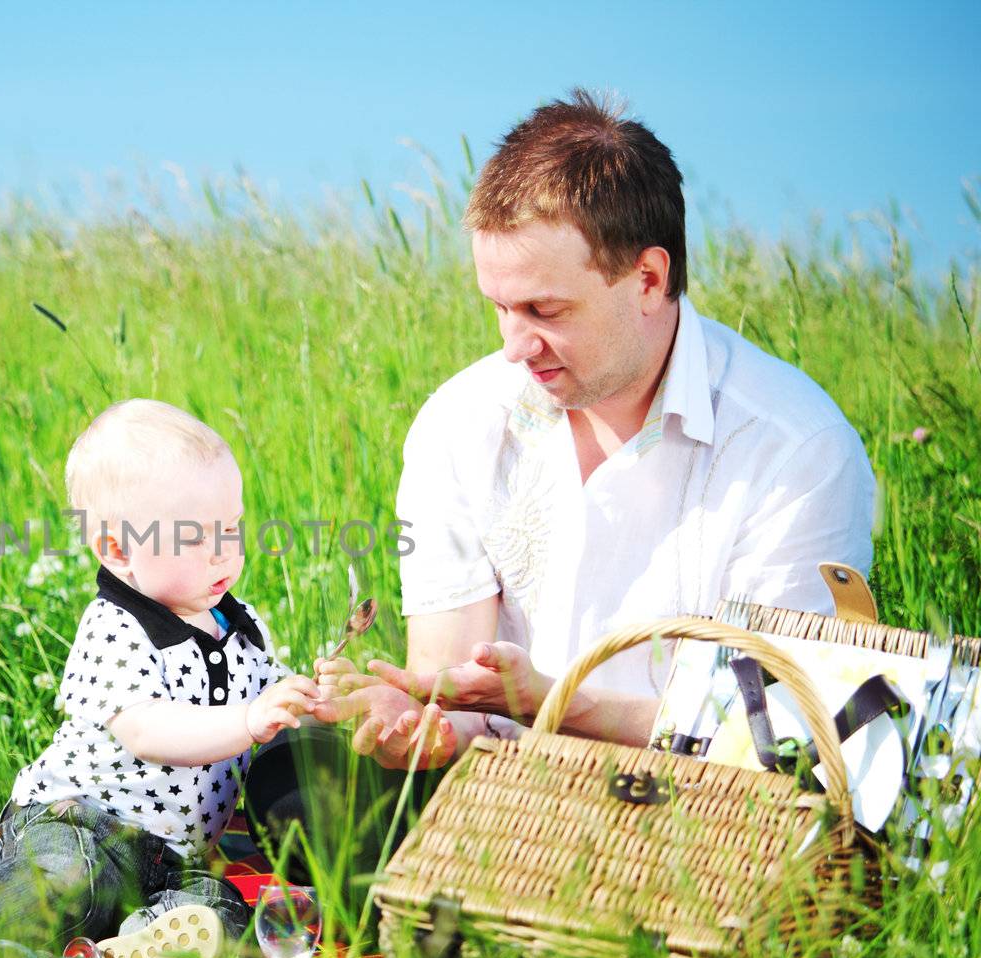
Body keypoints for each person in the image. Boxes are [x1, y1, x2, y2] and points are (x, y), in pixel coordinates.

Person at [317, 89, 875, 770]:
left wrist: (554, 703)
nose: (515, 344)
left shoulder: (797, 451)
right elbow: (455, 707)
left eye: (543, 309)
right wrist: (419, 731)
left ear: (647, 278)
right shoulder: (457, 423)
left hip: (707, 840)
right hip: (497, 823)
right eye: (499, 307)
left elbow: (778, 739)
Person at [0, 400, 319, 958]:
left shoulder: (240, 625)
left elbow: (273, 705)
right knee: (69, 883)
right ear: (118, 552)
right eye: (198, 538)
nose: (225, 551)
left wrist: (309, 699)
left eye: (233, 527)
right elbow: (147, 729)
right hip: (79, 823)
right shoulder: (115, 627)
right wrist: (249, 720)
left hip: (175, 860)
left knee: (220, 913)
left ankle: (132, 951)